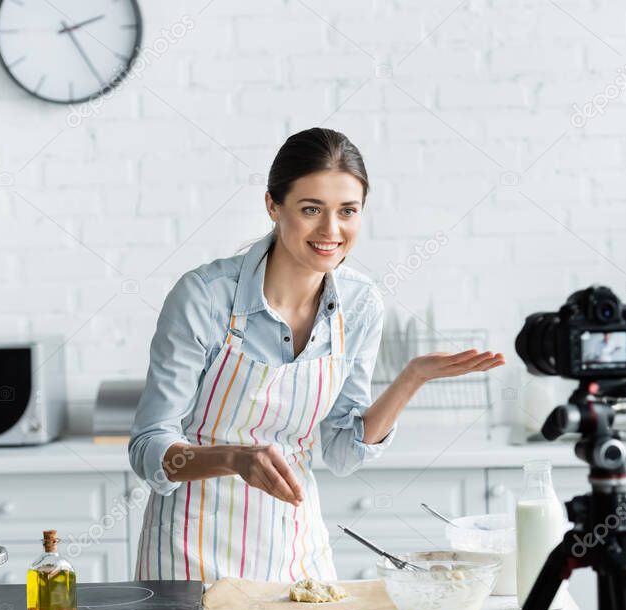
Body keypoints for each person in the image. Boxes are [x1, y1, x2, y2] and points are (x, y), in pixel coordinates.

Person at [129, 127, 505, 583]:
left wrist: (411, 378)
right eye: (311, 210)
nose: (331, 230)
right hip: (189, 556)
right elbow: (149, 448)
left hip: (295, 554)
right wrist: (235, 459)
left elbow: (343, 451)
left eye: (347, 211)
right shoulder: (205, 298)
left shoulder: (360, 305)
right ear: (273, 206)